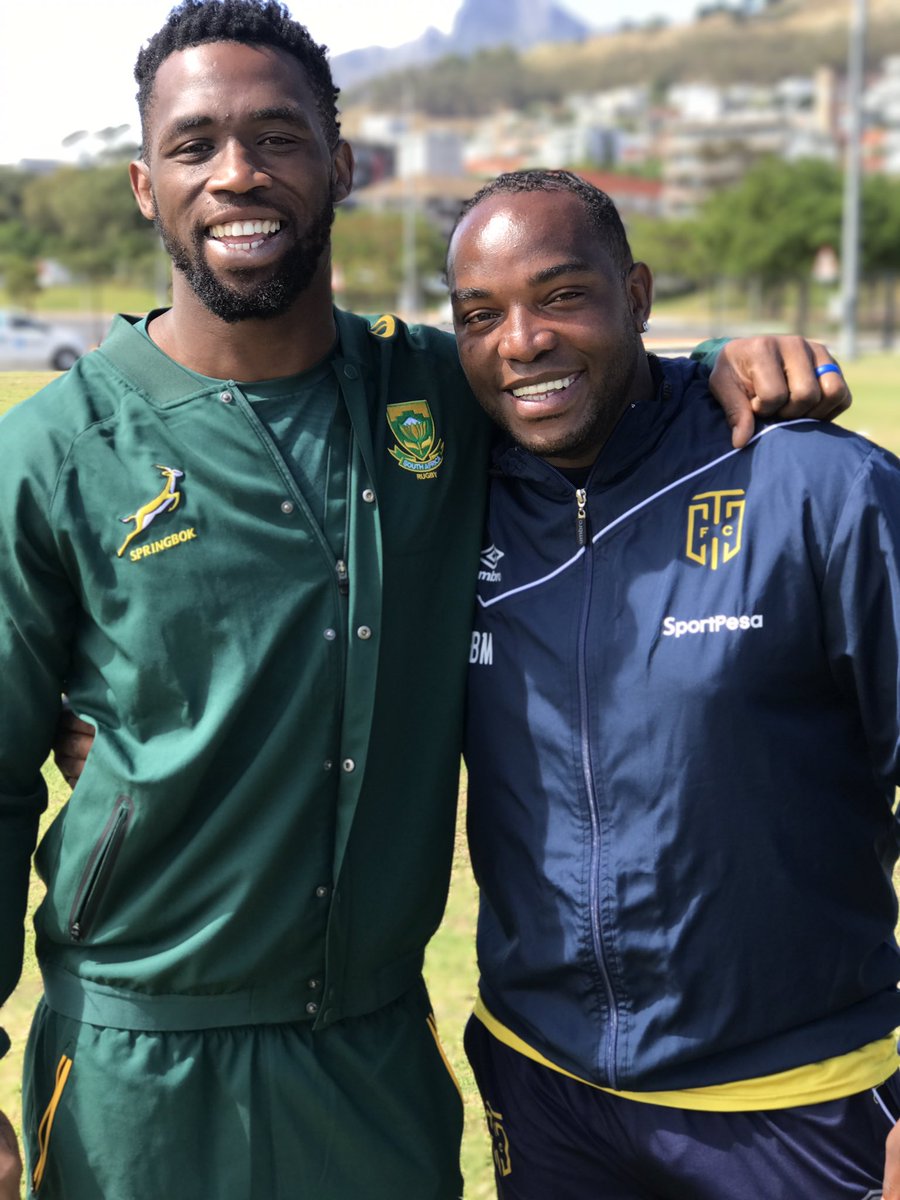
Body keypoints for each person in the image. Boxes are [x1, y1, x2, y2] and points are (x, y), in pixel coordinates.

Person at [0, 2, 849, 1197]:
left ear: (340, 165)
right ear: (145, 185)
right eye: (195, 146)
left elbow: (575, 363)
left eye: (277, 137)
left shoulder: (439, 393)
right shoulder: (50, 454)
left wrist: (727, 365)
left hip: (376, 1059)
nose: (238, 173)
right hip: (139, 1067)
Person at [447, 169, 900, 1199]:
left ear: (637, 296)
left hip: (800, 1100)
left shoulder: (816, 487)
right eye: (482, 315)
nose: (522, 340)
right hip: (545, 1088)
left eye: (563, 295)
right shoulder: (453, 501)